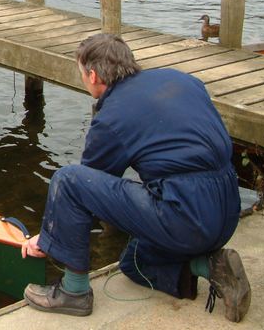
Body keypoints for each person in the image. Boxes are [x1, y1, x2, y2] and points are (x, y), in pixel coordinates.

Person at [21, 33, 250, 322]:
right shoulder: (182, 80)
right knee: (134, 263)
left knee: (68, 179)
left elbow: (85, 187)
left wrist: (48, 237)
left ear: (92, 75)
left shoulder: (111, 117)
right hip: (228, 211)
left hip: (185, 218)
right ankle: (210, 265)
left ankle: (74, 292)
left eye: (81, 73)